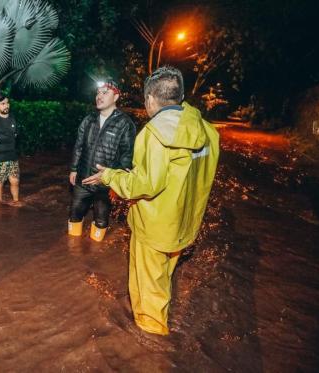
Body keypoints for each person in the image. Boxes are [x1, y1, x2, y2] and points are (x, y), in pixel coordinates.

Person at [83, 66, 220, 335]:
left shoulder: (154, 134)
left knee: (148, 296)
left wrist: (110, 176)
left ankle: (151, 344)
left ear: (150, 100)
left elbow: (145, 185)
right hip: (185, 224)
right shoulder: (207, 131)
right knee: (163, 280)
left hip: (155, 228)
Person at [68, 79, 137, 242]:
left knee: (101, 220)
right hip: (83, 178)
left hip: (105, 184)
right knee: (74, 214)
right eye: (98, 92)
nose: (99, 96)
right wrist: (73, 168)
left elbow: (127, 156)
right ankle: (72, 256)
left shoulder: (125, 124)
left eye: (105, 92)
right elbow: (79, 145)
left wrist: (115, 180)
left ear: (116, 97)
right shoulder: (88, 119)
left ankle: (93, 259)